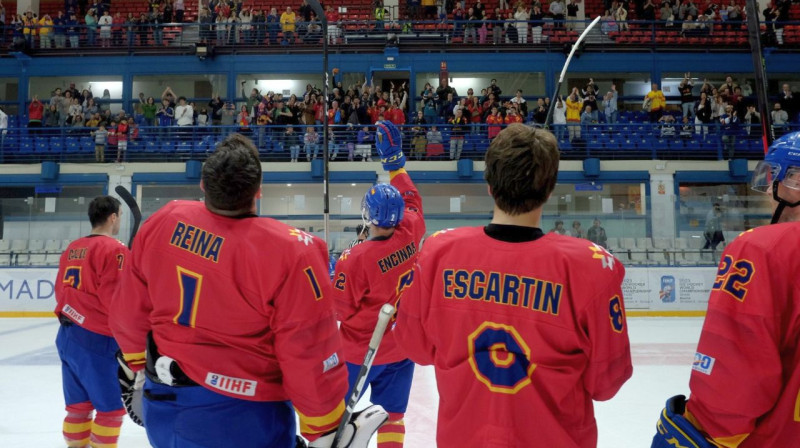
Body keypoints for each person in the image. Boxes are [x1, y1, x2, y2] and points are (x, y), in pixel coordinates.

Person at [109, 134, 386, 448]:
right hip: (245, 420)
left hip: (164, 408)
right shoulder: (291, 251)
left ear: (203, 186)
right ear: (258, 191)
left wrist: (136, 367)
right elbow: (307, 351)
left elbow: (128, 311)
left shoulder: (163, 221)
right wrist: (325, 427)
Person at [394, 124, 632, 447]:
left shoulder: (438, 253)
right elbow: (606, 383)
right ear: (549, 190)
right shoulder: (591, 268)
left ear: (490, 186)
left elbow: (414, 346)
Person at [651, 131, 800, 448]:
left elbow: (730, 395)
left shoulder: (762, 249)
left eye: (772, 178)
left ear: (794, 182)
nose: (766, 193)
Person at [333, 121, 426, 448]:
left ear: (366, 216)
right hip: (402, 347)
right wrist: (395, 164)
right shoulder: (412, 228)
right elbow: (412, 198)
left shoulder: (355, 259)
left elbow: (340, 310)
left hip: (359, 350)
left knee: (336, 414)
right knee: (393, 416)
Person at [54, 196, 129, 448]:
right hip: (97, 339)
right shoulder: (115, 249)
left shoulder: (72, 248)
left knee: (78, 407)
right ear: (113, 217)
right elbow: (117, 300)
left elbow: (60, 290)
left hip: (67, 336)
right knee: (111, 410)